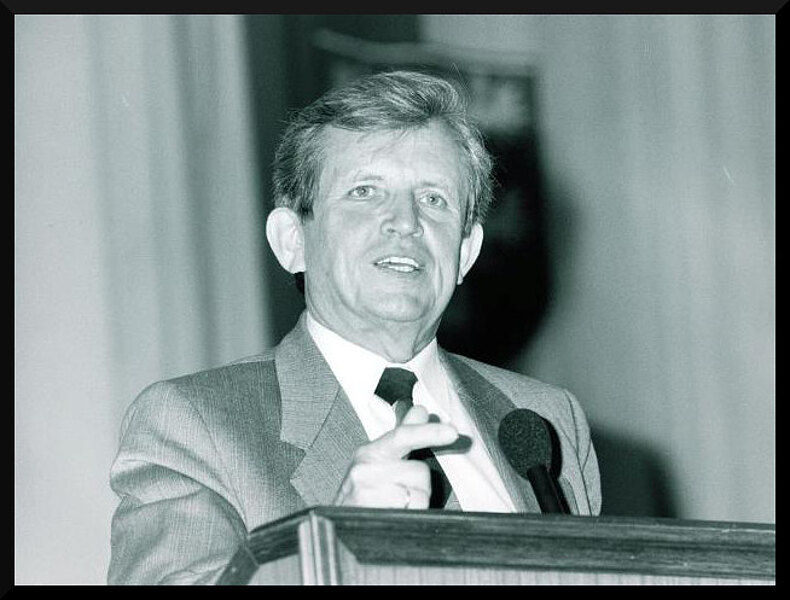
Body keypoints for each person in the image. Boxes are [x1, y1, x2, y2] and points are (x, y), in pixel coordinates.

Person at [107, 70, 601, 585]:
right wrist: (330, 556)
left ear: (466, 252)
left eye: (434, 198)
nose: (406, 222)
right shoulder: (195, 423)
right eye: (365, 191)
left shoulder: (546, 420)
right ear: (292, 241)